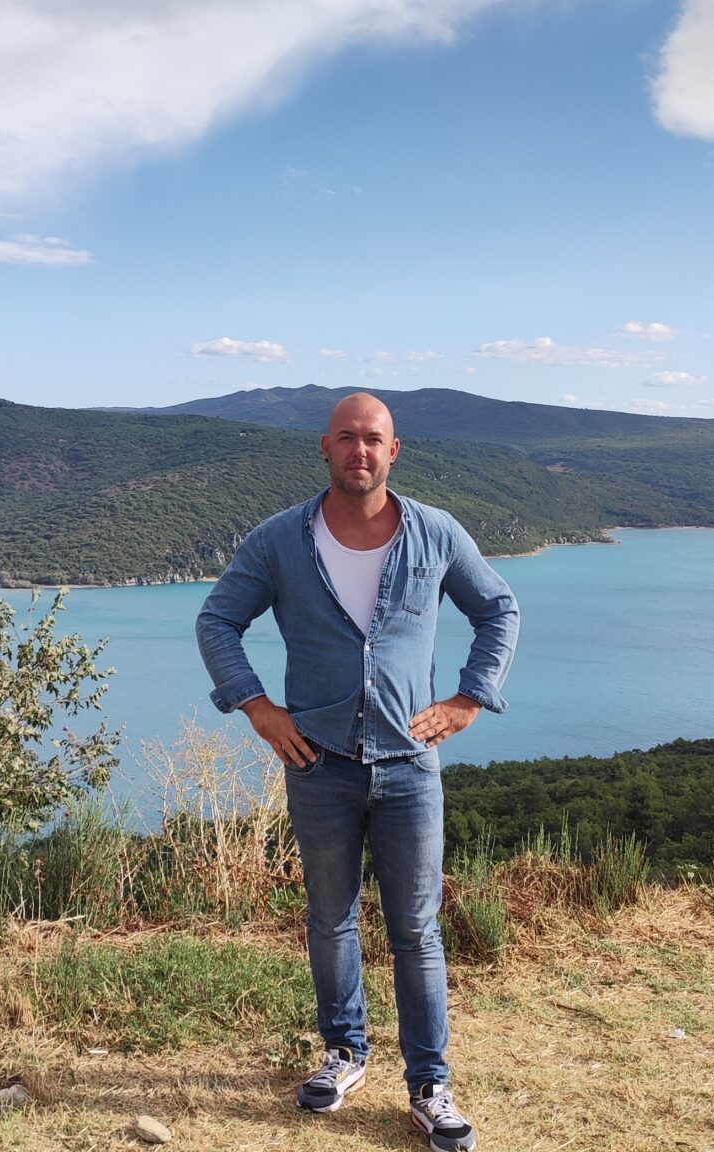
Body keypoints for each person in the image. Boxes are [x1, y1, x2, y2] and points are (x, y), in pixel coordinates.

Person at [194, 391, 519, 1152]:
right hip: (318, 764)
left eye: (373, 439)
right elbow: (217, 620)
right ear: (325, 447)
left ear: (393, 450)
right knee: (330, 919)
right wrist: (257, 709)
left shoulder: (435, 533)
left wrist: (470, 699)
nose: (359, 451)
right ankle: (344, 1054)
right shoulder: (281, 540)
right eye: (346, 438)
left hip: (410, 766)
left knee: (416, 929)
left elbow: (499, 609)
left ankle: (430, 1086)